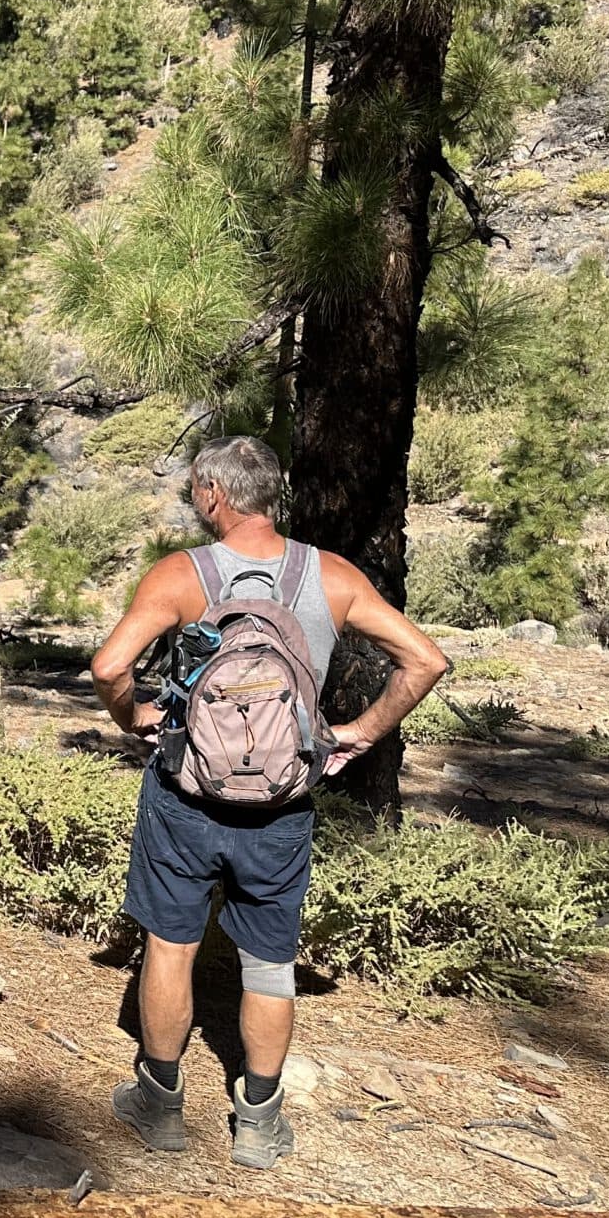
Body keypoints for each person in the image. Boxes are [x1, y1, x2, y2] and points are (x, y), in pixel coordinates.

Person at [89, 433, 447, 1168]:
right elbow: (426, 660)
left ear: (215, 496)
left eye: (196, 489)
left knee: (171, 943)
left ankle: (158, 1104)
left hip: (186, 798)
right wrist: (359, 734)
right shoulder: (333, 576)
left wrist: (135, 718)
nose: (195, 501)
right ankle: (257, 1122)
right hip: (281, 808)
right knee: (268, 962)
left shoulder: (182, 576)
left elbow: (109, 665)